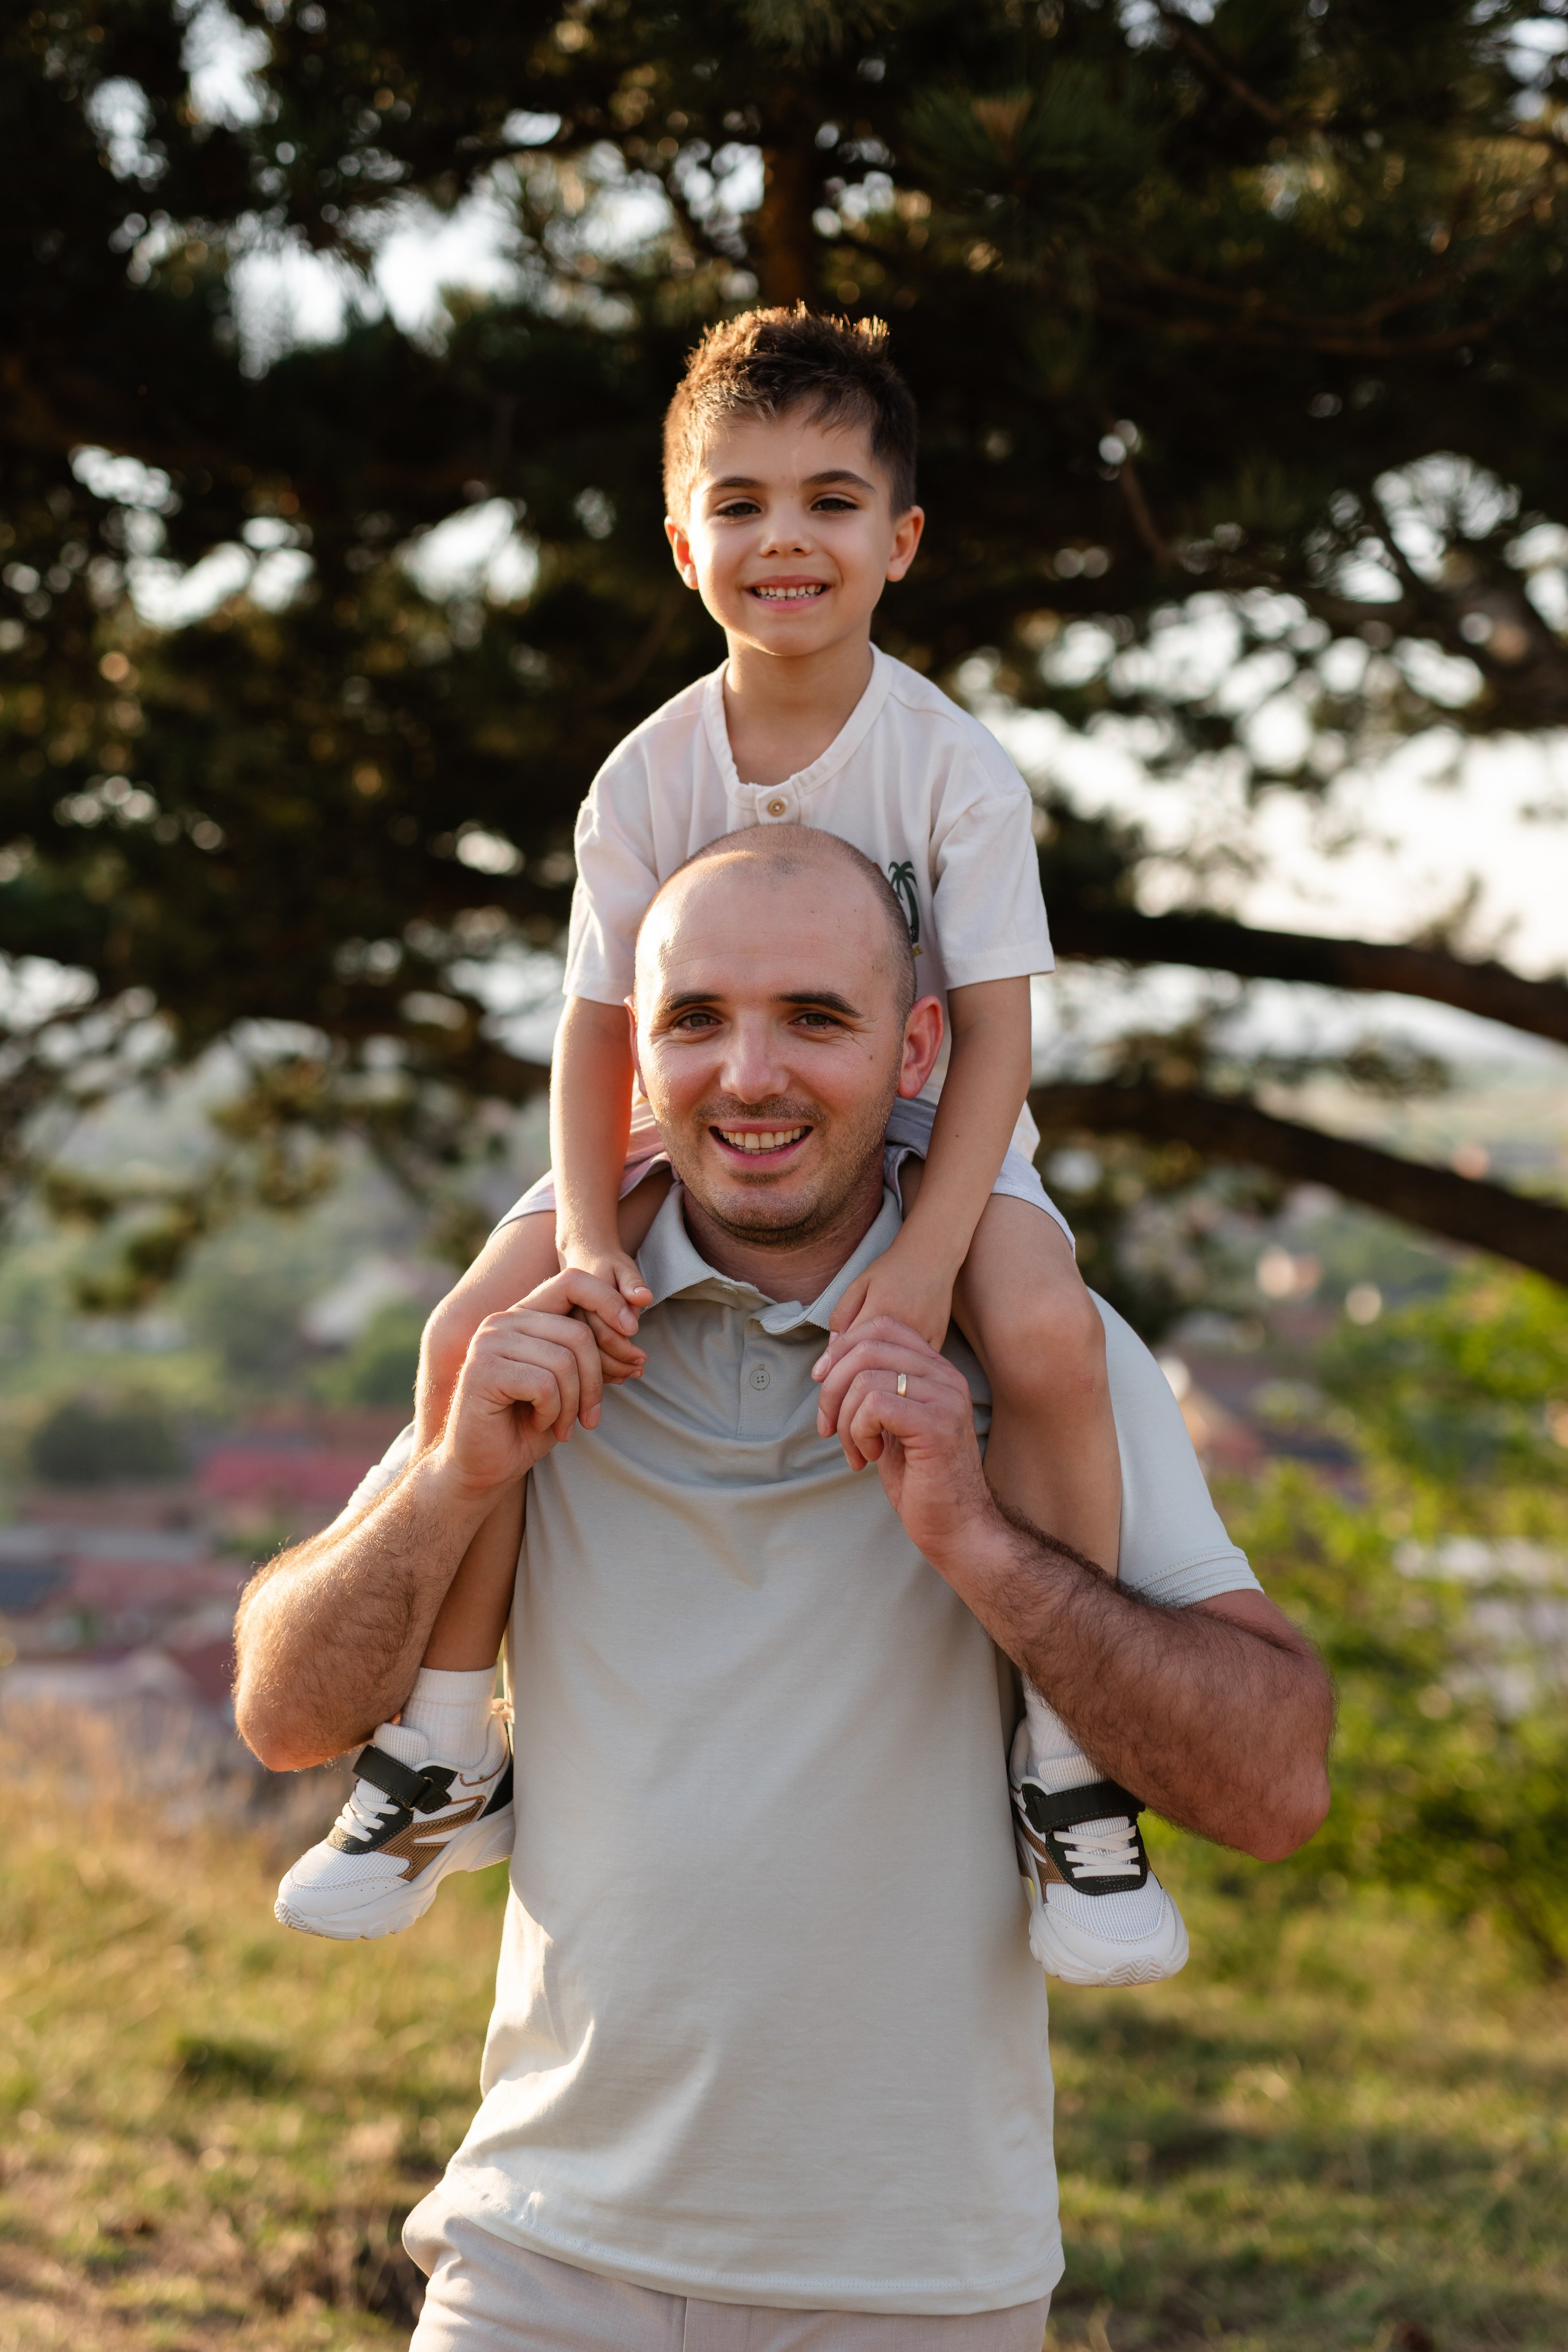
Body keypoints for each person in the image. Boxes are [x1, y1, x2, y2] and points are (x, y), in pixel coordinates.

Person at [235, 829, 1333, 2350]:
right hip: (534, 2253)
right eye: (695, 1019)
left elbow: (1272, 1787)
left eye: (814, 1017)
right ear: (632, 1055)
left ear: (916, 1049)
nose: (748, 1076)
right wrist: (449, 1485)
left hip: (915, 2289)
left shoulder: (1039, 1354)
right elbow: (285, 1713)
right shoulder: (541, 1324)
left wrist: (981, 1543)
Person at [273, 306, 1183, 1985]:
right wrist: (590, 1242)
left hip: (935, 1115)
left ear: (901, 540)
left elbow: (994, 1040)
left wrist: (927, 1260)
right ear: (685, 543)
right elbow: (596, 1032)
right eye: (742, 503)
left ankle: (1069, 1776)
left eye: (832, 501)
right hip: (683, 1119)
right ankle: (447, 1744)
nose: (786, 539)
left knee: (1049, 1331)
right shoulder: (643, 779)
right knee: (474, 1334)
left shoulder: (956, 772)